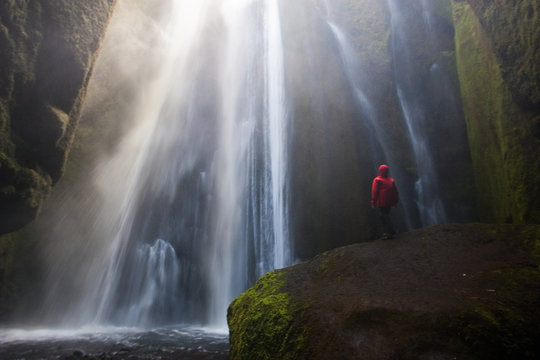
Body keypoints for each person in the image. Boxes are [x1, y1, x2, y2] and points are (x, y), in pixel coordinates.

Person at [371, 164, 399, 239]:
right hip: (389, 202)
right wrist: (395, 202)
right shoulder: (391, 180)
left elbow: (375, 192)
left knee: (384, 216)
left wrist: (373, 202)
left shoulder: (377, 180)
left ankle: (390, 232)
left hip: (382, 202)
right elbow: (396, 192)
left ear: (380, 171)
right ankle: (387, 232)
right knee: (385, 216)